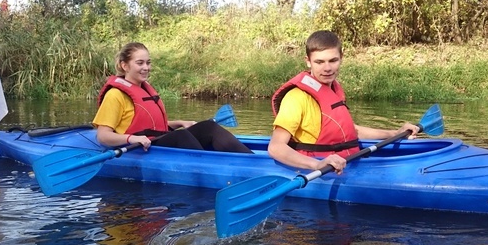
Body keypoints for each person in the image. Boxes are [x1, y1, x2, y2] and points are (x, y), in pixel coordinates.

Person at [268, 30, 419, 173]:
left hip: (347, 161)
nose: (327, 68)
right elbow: (276, 147)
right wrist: (317, 164)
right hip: (319, 166)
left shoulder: (333, 89)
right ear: (308, 62)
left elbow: (350, 131)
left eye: (333, 60)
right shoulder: (296, 98)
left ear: (341, 58)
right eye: (319, 62)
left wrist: (395, 133)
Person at [92, 42, 253, 153]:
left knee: (207, 127)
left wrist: (180, 123)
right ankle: (210, 166)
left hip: (157, 141)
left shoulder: (146, 90)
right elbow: (103, 136)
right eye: (140, 63)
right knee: (180, 136)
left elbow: (152, 126)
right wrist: (132, 138)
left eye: (148, 63)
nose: (146, 68)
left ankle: (250, 160)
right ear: (124, 65)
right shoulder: (115, 95)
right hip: (141, 148)